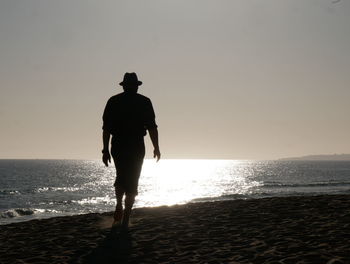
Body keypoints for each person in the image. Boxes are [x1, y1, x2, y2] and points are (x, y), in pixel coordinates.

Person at [102, 72, 161, 228]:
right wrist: (156, 147)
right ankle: (125, 213)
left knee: (123, 176)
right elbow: (152, 127)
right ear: (135, 86)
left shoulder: (114, 101)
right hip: (134, 144)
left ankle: (121, 207)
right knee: (132, 178)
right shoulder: (144, 102)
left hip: (121, 144)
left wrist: (105, 149)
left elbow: (106, 128)